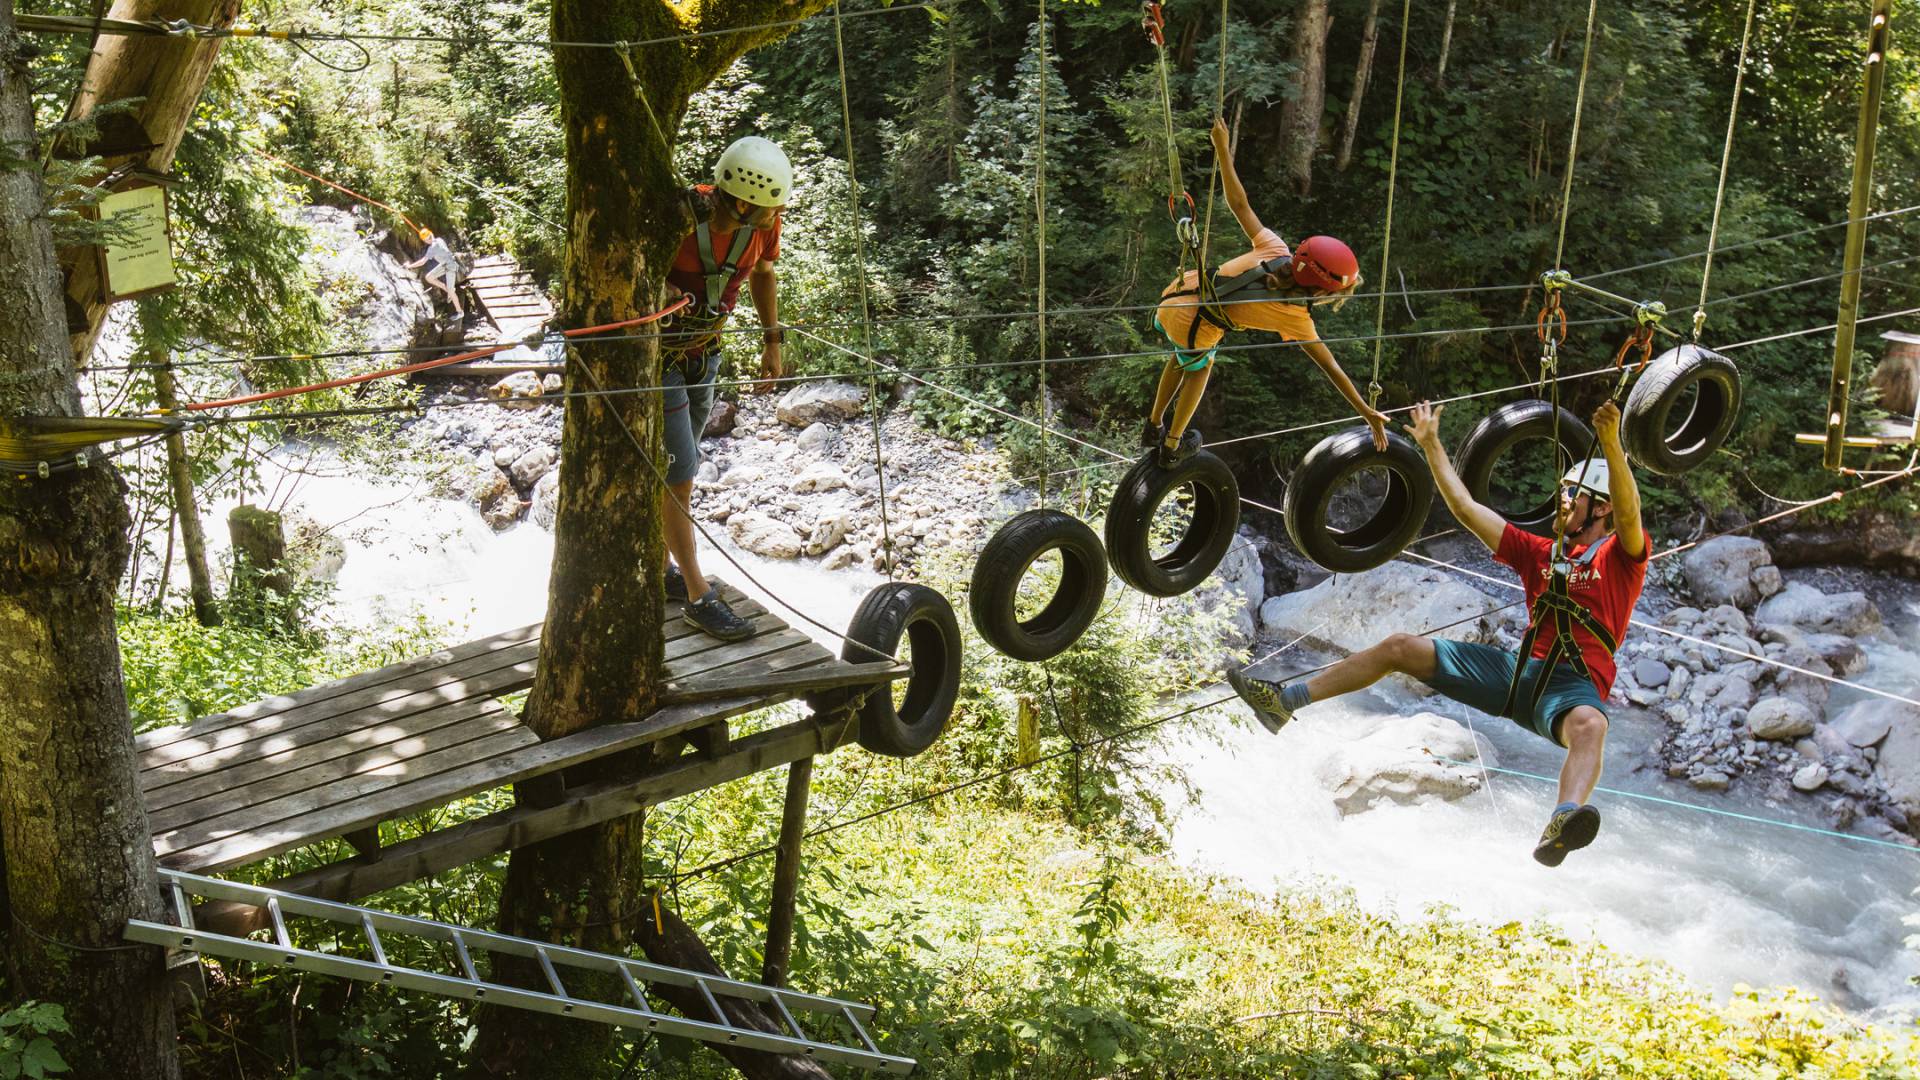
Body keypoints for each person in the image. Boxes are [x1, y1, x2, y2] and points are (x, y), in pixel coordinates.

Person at [1227, 399, 1649, 867]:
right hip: (1516, 675)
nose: (1562, 499)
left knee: (1591, 725)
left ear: (1600, 509)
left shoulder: (1622, 560)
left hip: (1571, 690)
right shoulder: (1538, 551)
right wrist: (1430, 445)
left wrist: (1610, 443)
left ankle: (1561, 821)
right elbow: (1467, 509)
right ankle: (1283, 702)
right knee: (1399, 648)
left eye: (1574, 494)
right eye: (1564, 490)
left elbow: (1631, 516)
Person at [1146, 118, 1390, 466]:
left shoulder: (1276, 249)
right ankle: (1171, 445)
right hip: (1194, 322)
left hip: (1176, 294)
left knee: (1183, 355)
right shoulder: (1296, 318)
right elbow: (1332, 368)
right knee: (1200, 366)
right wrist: (1365, 410)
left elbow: (1239, 204)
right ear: (1322, 290)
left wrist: (1222, 150)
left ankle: (1153, 423)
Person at [658, 135, 790, 641]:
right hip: (659, 360)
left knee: (679, 468)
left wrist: (771, 339)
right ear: (741, 201)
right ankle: (697, 594)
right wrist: (659, 286)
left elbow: (763, 272)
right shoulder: (678, 220)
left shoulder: (764, 223)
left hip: (704, 355)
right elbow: (632, 273)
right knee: (680, 472)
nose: (775, 213)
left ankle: (662, 567)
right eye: (767, 205)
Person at [403, 229, 464, 318]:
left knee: (451, 291)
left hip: (450, 267)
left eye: (426, 239)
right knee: (429, 277)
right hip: (445, 264)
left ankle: (460, 312)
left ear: (425, 240)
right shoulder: (439, 240)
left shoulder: (432, 248)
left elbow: (422, 262)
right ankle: (446, 288)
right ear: (431, 234)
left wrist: (409, 266)